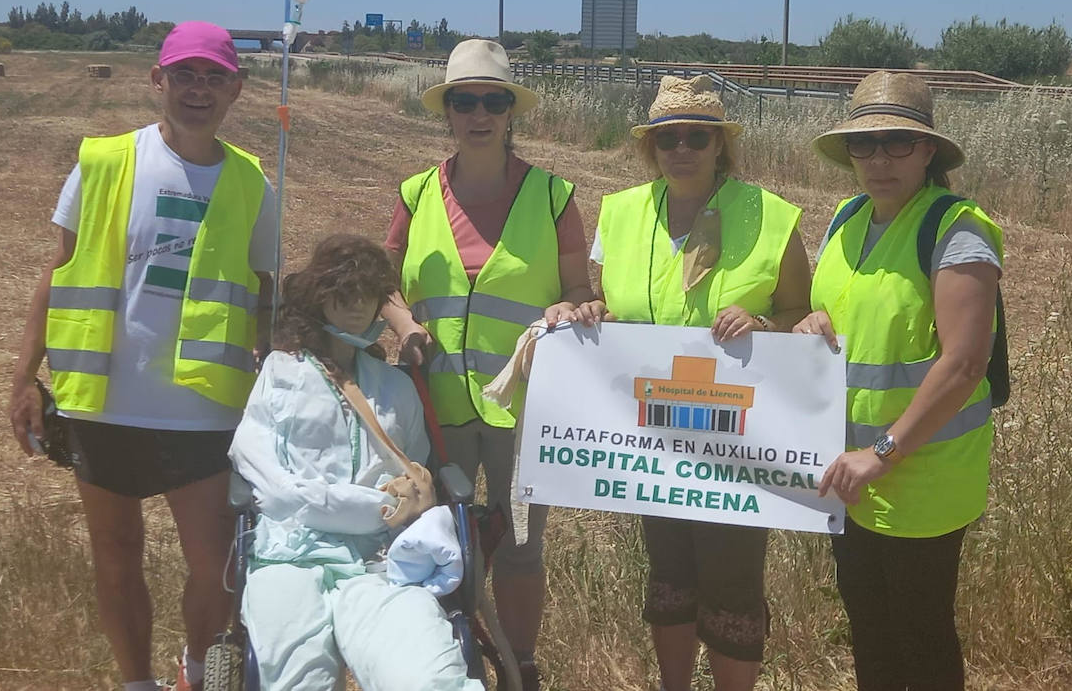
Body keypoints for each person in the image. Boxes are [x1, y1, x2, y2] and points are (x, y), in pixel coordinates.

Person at [8, 21, 277, 691]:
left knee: (215, 566)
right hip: (101, 400)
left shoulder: (252, 185)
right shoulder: (102, 162)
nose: (198, 89)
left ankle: (194, 673)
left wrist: (276, 389)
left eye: (215, 76)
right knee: (116, 553)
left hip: (204, 410)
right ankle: (136, 683)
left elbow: (266, 297)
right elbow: (60, 269)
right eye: (184, 74)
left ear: (236, 89)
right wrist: (22, 377)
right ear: (158, 79)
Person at [572, 74, 812, 691]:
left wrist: (763, 322)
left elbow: (800, 314)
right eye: (668, 138)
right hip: (651, 438)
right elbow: (608, 301)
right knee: (669, 572)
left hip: (736, 437)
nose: (682, 148)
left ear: (719, 146)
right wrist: (595, 311)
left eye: (696, 137)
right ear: (651, 147)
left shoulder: (771, 217)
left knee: (733, 581)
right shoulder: (621, 213)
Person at [381, 38, 594, 691]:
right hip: (434, 406)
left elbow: (579, 290)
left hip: (524, 410)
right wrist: (406, 324)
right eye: (464, 100)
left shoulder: (554, 195)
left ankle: (519, 664)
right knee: (433, 539)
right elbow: (381, 284)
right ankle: (444, 664)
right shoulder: (415, 194)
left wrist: (569, 309)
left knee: (523, 547)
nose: (479, 113)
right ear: (447, 111)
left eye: (492, 100)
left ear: (510, 111)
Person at [793, 70, 1003, 691]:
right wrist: (811, 320)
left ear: (928, 150)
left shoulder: (957, 229)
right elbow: (838, 312)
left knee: (922, 639)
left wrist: (884, 452)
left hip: (922, 479)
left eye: (898, 143)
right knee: (870, 633)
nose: (879, 159)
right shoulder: (845, 218)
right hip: (849, 475)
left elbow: (964, 364)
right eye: (865, 144)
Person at [230, 234, 483, 691]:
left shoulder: (396, 388)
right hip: (291, 555)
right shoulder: (281, 373)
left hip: (381, 560)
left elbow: (417, 476)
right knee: (298, 679)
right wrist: (367, 509)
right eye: (343, 295)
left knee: (427, 678)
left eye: (367, 296)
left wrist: (368, 515)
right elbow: (264, 474)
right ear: (319, 298)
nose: (356, 308)